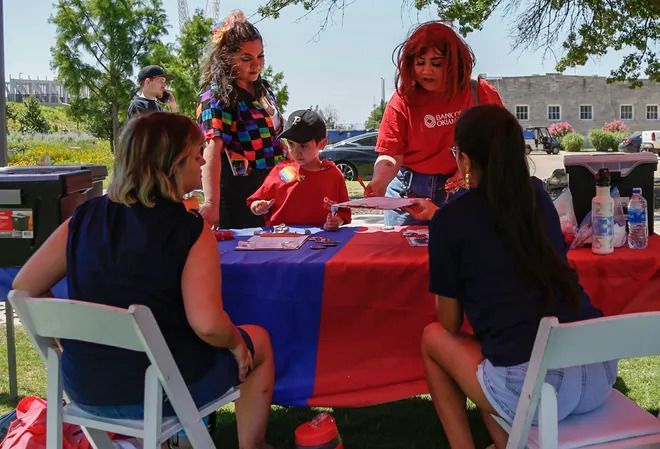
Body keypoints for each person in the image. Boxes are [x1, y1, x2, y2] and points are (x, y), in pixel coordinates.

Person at [12, 112, 274, 449]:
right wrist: (237, 343)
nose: (202, 162)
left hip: (84, 388)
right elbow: (207, 324)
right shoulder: (189, 229)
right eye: (197, 154)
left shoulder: (83, 218)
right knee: (260, 341)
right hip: (161, 391)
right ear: (173, 164)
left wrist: (67, 340)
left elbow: (24, 286)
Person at [404, 104, 617, 449]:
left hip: (533, 389)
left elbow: (450, 323)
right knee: (494, 363)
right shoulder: (538, 197)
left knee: (436, 339)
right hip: (597, 372)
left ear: (467, 160)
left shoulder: (449, 221)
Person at [364, 21, 503, 226]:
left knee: (464, 255)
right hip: (408, 194)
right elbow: (391, 153)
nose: (426, 71)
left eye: (436, 63)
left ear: (456, 63)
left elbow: (502, 144)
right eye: (420, 63)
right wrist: (379, 182)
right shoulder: (402, 100)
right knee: (402, 256)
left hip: (465, 192)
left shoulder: (480, 93)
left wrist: (473, 167)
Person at [196, 10, 286, 229]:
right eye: (246, 58)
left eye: (260, 56)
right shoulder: (216, 97)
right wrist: (210, 204)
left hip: (273, 188)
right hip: (240, 195)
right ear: (226, 58)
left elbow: (273, 137)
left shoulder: (263, 90)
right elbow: (211, 151)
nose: (256, 65)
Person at [247, 109, 351, 230]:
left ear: (322, 144)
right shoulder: (281, 171)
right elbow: (255, 200)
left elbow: (344, 213)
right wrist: (258, 207)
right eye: (291, 144)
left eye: (303, 145)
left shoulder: (333, 175)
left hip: (320, 242)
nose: (296, 151)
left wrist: (337, 221)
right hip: (279, 240)